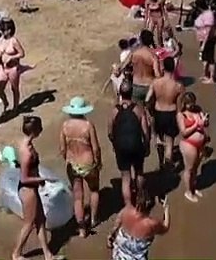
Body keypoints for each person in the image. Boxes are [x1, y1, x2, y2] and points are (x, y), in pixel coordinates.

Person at [11, 115, 60, 260]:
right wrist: (43, 179)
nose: (42, 129)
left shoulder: (26, 143)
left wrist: (39, 180)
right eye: (40, 127)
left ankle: (48, 254)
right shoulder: (27, 152)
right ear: (34, 130)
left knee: (40, 220)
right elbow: (24, 178)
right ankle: (16, 253)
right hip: (28, 190)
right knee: (29, 223)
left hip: (31, 188)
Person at [59, 96, 102, 237]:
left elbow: (62, 148)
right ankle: (94, 219)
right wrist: (98, 161)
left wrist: (67, 159)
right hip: (88, 162)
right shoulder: (88, 125)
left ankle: (82, 228)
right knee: (94, 190)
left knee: (78, 197)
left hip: (72, 163)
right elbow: (95, 148)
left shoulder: (65, 126)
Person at [108, 81, 151, 207]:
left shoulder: (114, 111)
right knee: (139, 172)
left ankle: (128, 206)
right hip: (136, 145)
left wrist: (115, 144)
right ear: (131, 93)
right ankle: (140, 197)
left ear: (120, 93)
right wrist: (146, 145)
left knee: (125, 177)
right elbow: (145, 131)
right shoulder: (139, 110)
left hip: (121, 147)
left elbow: (110, 132)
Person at [107, 186, 169, 260]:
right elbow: (165, 227)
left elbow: (116, 225)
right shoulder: (151, 224)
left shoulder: (126, 211)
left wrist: (111, 235)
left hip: (119, 256)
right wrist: (166, 208)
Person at [148, 56, 184, 169]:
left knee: (159, 138)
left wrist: (150, 111)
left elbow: (147, 99)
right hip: (171, 113)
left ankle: (161, 161)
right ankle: (168, 161)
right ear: (174, 68)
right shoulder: (178, 86)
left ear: (163, 67)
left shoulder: (155, 82)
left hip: (158, 112)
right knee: (169, 140)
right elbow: (179, 106)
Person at [177, 91, 210, 203]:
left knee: (196, 168)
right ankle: (188, 192)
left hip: (201, 143)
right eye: (189, 103)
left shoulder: (198, 110)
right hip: (189, 144)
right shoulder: (181, 115)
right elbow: (184, 132)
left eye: (193, 103)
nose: (191, 105)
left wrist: (205, 121)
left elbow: (205, 125)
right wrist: (196, 125)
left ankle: (193, 187)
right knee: (189, 169)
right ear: (184, 103)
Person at [0, 18, 26, 113]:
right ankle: (5, 102)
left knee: (14, 88)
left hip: (13, 68)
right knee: (0, 89)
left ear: (9, 30)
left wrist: (12, 57)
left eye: (3, 30)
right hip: (3, 68)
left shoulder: (14, 41)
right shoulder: (1, 39)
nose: (1, 32)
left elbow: (22, 54)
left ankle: (16, 107)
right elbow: (1, 50)